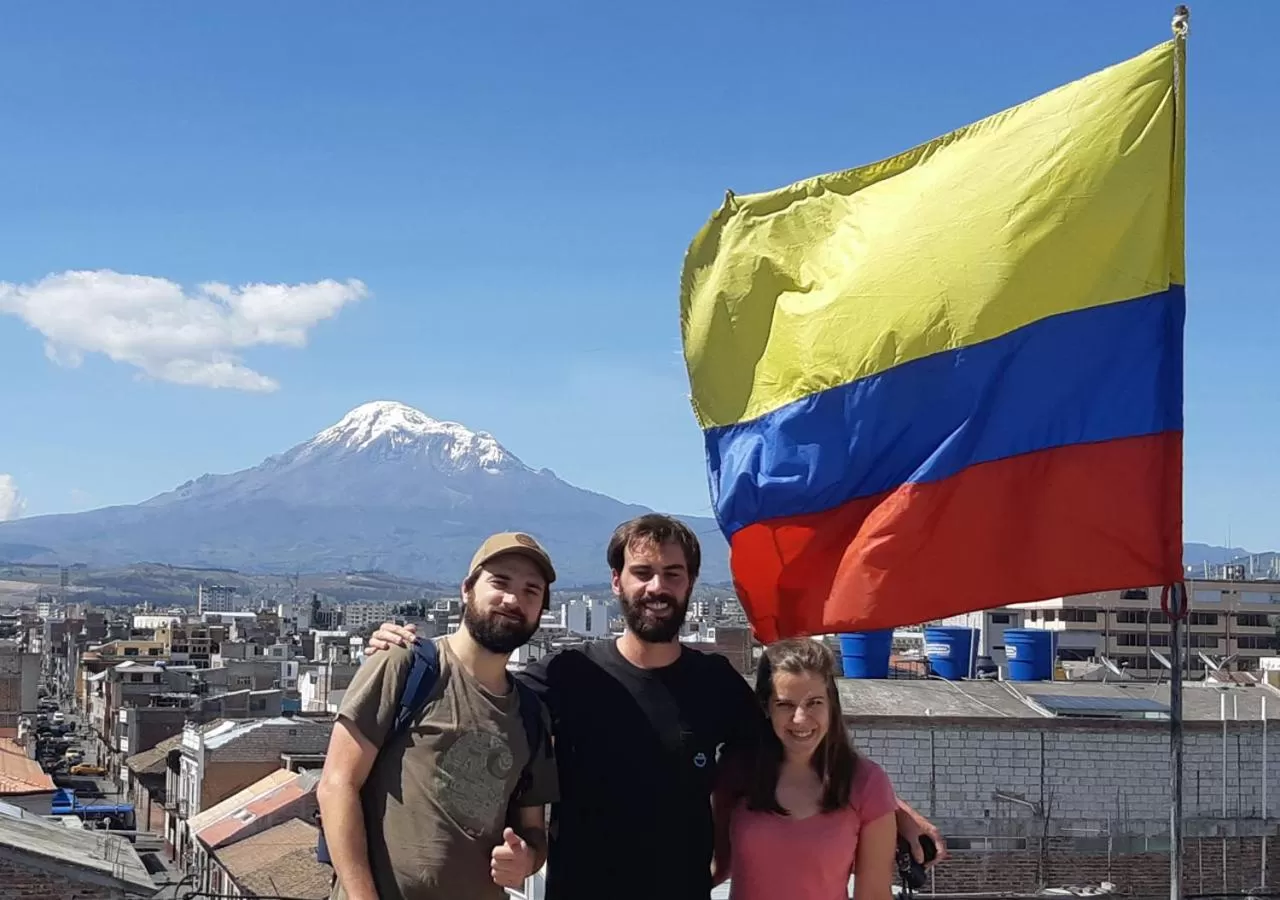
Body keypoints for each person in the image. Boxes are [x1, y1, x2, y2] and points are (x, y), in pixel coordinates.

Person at [367, 514, 946, 899]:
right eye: (643, 572)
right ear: (617, 582)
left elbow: (795, 739)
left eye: (672, 574)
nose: (657, 586)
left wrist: (892, 809)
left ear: (691, 583)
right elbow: (480, 686)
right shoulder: (567, 676)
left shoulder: (716, 683)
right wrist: (406, 645)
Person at [317, 532, 560, 900]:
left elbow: (533, 830)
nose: (513, 599)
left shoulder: (530, 713)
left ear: (541, 611)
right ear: (467, 589)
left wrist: (526, 859)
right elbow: (337, 785)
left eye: (531, 591)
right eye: (500, 582)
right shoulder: (405, 665)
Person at [713, 638, 897, 900]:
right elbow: (713, 869)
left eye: (814, 703)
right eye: (785, 705)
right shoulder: (736, 773)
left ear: (831, 705)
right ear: (766, 707)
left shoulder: (866, 783)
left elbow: (875, 894)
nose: (800, 718)